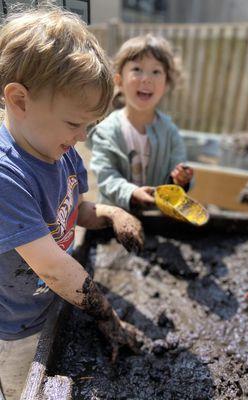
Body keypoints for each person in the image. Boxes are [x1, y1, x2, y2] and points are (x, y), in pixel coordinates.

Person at [0, 6, 144, 400]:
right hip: (17, 325)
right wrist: (108, 316)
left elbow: (73, 210)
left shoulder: (58, 151)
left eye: (88, 125)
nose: (81, 136)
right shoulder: (6, 176)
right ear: (19, 100)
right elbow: (53, 268)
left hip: (54, 303)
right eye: (73, 123)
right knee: (21, 388)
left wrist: (112, 213)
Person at [88, 34, 194, 211]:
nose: (147, 78)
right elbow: (105, 175)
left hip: (156, 218)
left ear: (166, 83)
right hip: (114, 217)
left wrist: (181, 179)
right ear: (119, 81)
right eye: (137, 69)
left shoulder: (170, 131)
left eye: (156, 71)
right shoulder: (106, 132)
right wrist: (131, 193)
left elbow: (179, 166)